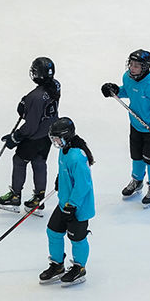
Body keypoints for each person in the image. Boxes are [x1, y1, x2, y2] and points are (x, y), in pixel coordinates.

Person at [100, 49, 150, 207]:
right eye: (131, 64)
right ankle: (137, 181)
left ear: (145, 67)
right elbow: (129, 91)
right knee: (137, 156)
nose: (132, 68)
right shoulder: (127, 77)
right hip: (136, 126)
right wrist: (116, 90)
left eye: (137, 66)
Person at [0, 57, 61, 214]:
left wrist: (15, 137)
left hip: (35, 137)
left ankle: (15, 196)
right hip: (48, 135)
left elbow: (31, 126)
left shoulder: (35, 97)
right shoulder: (56, 85)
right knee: (39, 162)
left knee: (19, 160)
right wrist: (27, 106)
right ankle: (39, 198)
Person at [39, 118, 95, 286]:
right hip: (64, 202)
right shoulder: (64, 151)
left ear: (67, 136)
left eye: (57, 138)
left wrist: (72, 205)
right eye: (53, 139)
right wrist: (59, 179)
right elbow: (65, 171)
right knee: (53, 232)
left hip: (78, 207)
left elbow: (83, 185)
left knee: (77, 238)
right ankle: (57, 265)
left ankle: (79, 268)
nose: (55, 142)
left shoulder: (77, 156)